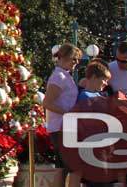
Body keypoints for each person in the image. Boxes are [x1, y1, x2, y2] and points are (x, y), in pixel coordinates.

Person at [44, 44, 81, 187]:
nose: (76, 63)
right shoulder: (59, 77)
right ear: (67, 58)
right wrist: (67, 114)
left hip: (65, 126)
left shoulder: (65, 76)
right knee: (69, 165)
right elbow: (47, 102)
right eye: (75, 60)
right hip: (61, 126)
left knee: (64, 166)